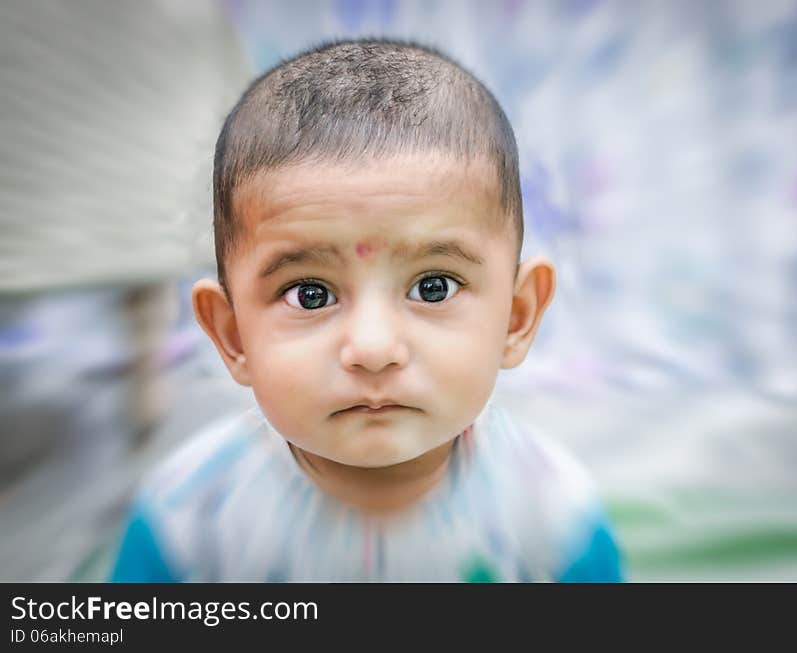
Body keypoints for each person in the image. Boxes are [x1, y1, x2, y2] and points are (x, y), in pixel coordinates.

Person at [109, 38, 624, 582]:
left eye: (433, 287)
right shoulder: (187, 527)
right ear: (232, 335)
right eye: (310, 294)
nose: (374, 349)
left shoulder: (554, 523)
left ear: (516, 318)